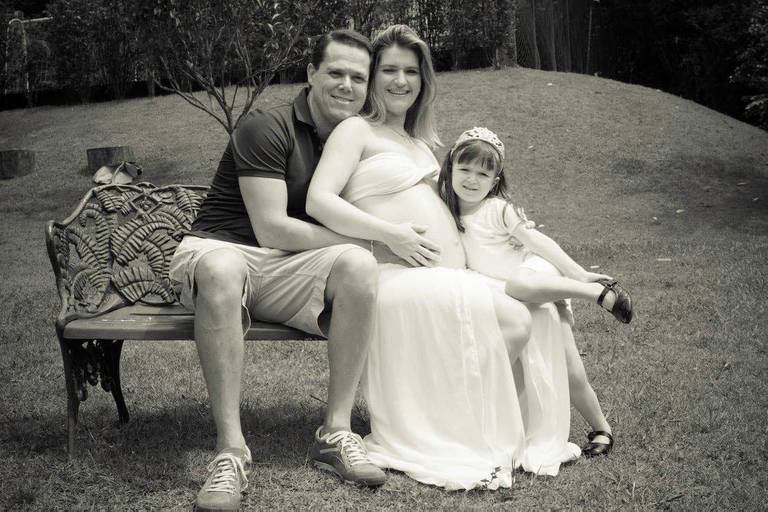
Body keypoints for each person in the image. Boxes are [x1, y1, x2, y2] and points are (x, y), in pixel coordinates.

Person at [306, 24, 577, 490]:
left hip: (446, 272)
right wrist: (391, 235)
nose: (400, 81)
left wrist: (506, 229)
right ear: (373, 76)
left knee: (537, 310)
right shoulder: (356, 130)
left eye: (411, 71)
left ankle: (478, 421)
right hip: (395, 274)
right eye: (389, 70)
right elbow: (319, 200)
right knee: (514, 322)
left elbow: (461, 206)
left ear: (423, 80)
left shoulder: (420, 144)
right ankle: (457, 427)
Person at [169, 29, 393, 512]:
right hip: (220, 250)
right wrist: (370, 241)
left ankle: (335, 434)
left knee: (358, 266)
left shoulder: (353, 139)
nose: (347, 85)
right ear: (311, 73)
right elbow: (270, 227)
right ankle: (230, 453)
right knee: (224, 269)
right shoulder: (266, 126)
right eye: (336, 72)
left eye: (358, 78)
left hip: (286, 267)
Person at [437, 126, 635, 457]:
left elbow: (538, 242)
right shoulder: (447, 209)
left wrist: (578, 273)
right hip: (517, 293)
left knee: (570, 366)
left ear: (495, 180)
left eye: (483, 174)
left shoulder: (499, 209)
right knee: (567, 365)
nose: (472, 179)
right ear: (450, 167)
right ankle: (594, 429)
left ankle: (597, 295)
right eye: (465, 169)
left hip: (535, 274)